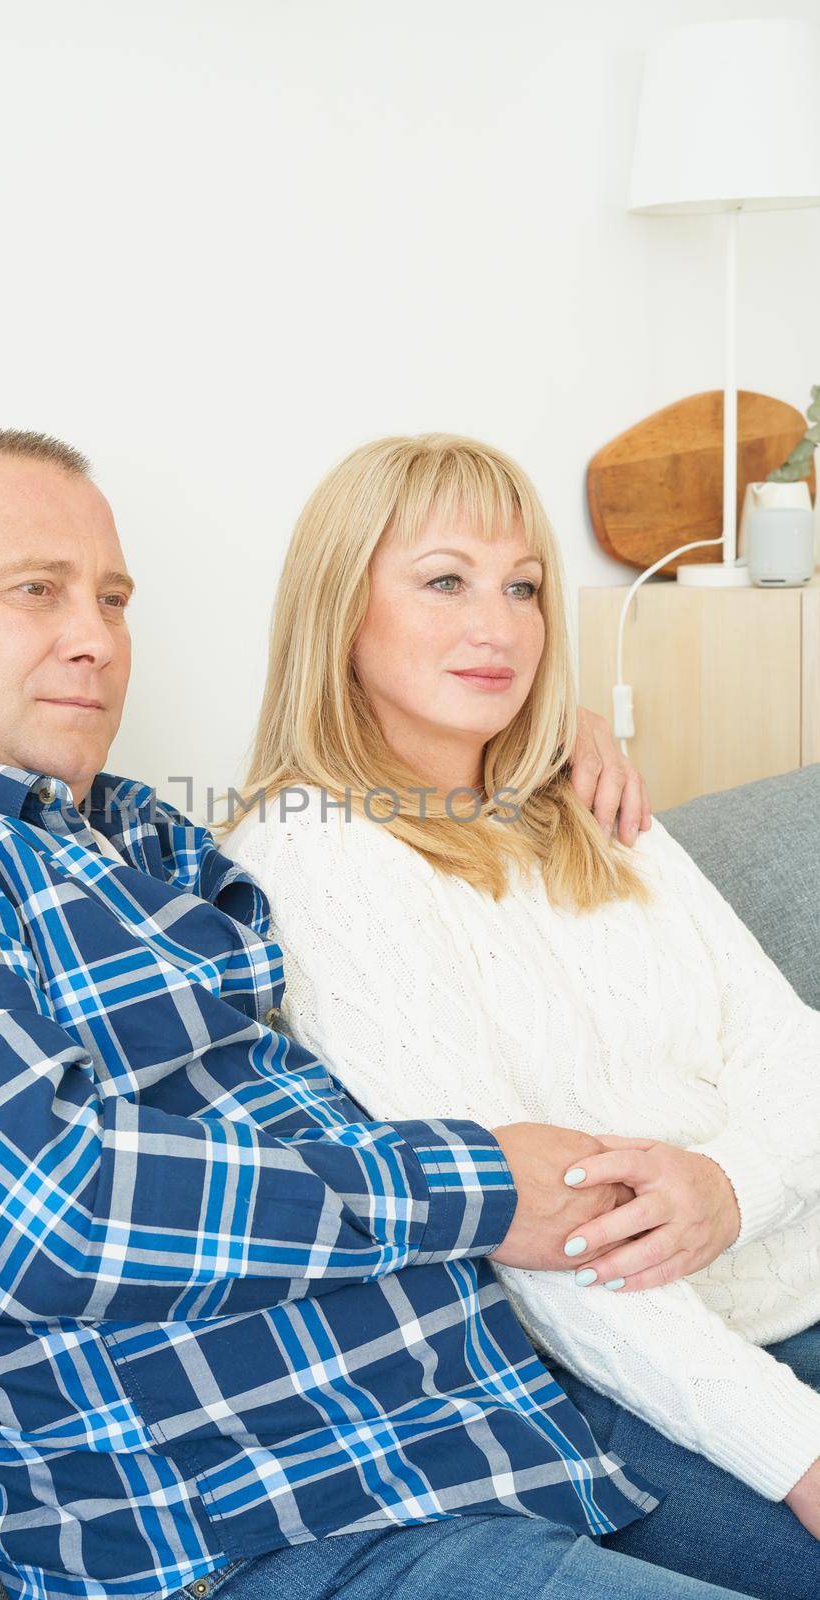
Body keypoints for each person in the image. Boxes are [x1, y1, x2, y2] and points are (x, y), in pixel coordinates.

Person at [0, 428, 752, 1600]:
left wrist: (525, 745)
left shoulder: (150, 839)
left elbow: (361, 847)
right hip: (284, 1535)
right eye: (36, 591)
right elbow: (47, 1216)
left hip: (514, 1440)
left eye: (113, 599)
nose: (94, 637)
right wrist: (476, 1184)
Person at [222, 431, 820, 1600]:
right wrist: (798, 1453)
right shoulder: (312, 863)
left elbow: (791, 1050)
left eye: (523, 586)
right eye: (443, 580)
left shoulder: (582, 804)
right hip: (633, 1391)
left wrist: (732, 1185)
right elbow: (549, 1246)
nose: (495, 625)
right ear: (340, 608)